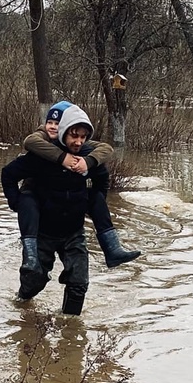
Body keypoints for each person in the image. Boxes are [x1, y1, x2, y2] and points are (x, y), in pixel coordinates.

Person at [1, 105, 108, 315]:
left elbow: (102, 179)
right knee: (34, 281)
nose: (78, 142)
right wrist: (17, 203)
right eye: (74, 136)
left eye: (83, 137)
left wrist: (93, 201)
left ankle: (70, 332)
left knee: (79, 284)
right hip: (43, 231)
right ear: (63, 132)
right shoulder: (41, 155)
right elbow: (8, 175)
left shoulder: (87, 157)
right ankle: (21, 306)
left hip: (74, 232)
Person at [14, 101, 141, 274]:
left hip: (70, 222)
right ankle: (30, 259)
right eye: (50, 123)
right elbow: (28, 144)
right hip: (40, 207)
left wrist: (88, 167)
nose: (53, 127)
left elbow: (105, 150)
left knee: (78, 283)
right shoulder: (40, 140)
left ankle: (112, 249)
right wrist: (62, 158)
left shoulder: (79, 144)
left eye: (57, 124)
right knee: (34, 278)